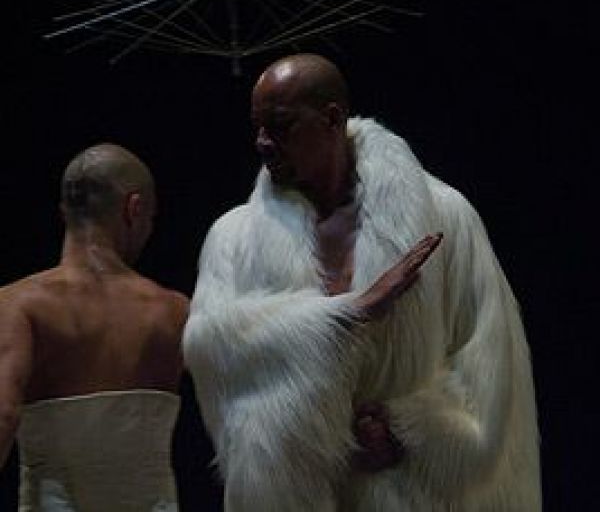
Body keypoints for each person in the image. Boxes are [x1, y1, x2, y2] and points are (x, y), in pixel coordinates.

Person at [183, 54, 542, 511]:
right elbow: (216, 365)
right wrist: (344, 319)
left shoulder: (444, 218)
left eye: (281, 125)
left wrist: (406, 431)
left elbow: (488, 371)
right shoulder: (232, 238)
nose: (263, 143)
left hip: (409, 495)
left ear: (332, 119)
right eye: (258, 127)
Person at [0, 144, 189, 511]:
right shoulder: (174, 311)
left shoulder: (18, 305)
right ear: (134, 209)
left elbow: (4, 414)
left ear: (64, 213)